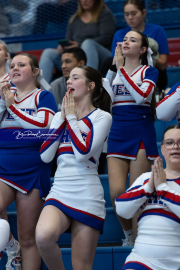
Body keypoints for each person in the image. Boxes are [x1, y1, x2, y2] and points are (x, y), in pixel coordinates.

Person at [36, 66, 112, 270]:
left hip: (87, 194)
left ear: (90, 86)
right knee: (43, 237)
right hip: (59, 191)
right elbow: (45, 155)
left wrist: (70, 118)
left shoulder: (101, 117)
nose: (68, 81)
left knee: (81, 266)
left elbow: (83, 153)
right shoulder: (58, 117)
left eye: (75, 78)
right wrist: (62, 117)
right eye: (68, 78)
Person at [0, 53, 57, 270]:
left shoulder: (43, 96)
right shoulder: (4, 94)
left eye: (21, 65)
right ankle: (11, 248)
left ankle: (20, 250)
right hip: (3, 166)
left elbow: (43, 128)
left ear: (35, 72)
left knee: (28, 237)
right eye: (12, 65)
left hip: (32, 168)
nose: (14, 68)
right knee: (19, 241)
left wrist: (12, 107)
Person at [106, 30, 159, 246]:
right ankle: (128, 233)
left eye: (133, 40)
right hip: (117, 132)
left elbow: (141, 97)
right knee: (117, 193)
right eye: (125, 39)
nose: (127, 42)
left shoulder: (149, 71)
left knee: (137, 193)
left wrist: (121, 70)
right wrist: (113, 70)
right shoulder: (113, 72)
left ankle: (139, 244)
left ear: (143, 49)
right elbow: (101, 99)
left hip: (140, 131)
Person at [115, 125, 180, 270]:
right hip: (141, 260)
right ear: (162, 149)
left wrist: (162, 188)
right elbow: (121, 208)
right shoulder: (146, 178)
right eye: (170, 142)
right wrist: (148, 188)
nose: (176, 146)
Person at [39, 0, 116, 83]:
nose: (84, 1)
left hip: (101, 57)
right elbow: (68, 39)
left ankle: (88, 82)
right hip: (77, 56)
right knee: (48, 53)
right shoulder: (74, 19)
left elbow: (106, 38)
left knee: (88, 43)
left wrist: (79, 45)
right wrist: (64, 46)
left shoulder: (105, 14)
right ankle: (41, 92)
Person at [101, 0, 169, 93]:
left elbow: (163, 65)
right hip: (126, 74)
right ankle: (101, 91)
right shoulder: (119, 34)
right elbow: (115, 62)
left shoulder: (157, 30)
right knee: (109, 62)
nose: (130, 17)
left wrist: (143, 50)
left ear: (143, 12)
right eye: (126, 14)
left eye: (133, 13)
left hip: (151, 74)